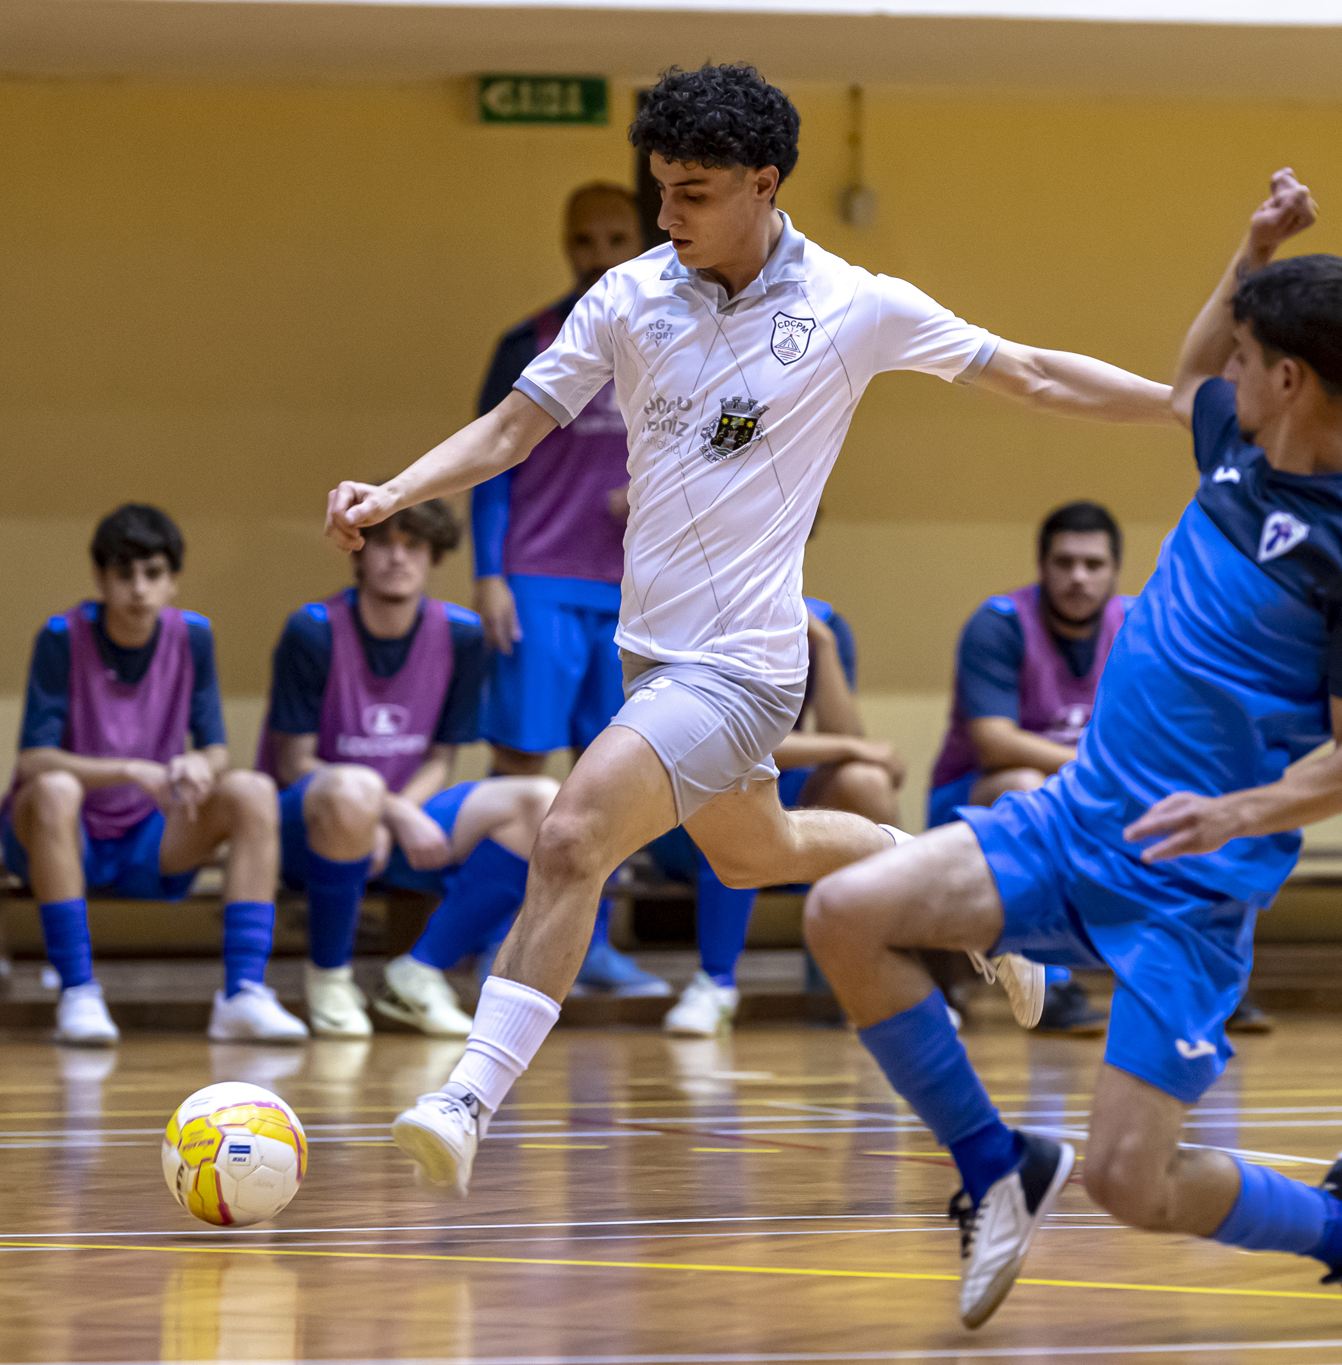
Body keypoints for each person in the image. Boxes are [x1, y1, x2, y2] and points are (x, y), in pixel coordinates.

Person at [324, 63, 1171, 1195]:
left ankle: (467, 1097)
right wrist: (392, 489)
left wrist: (1182, 406)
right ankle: (988, 910)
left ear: (765, 184)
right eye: (661, 188)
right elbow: (514, 426)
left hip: (746, 665)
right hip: (653, 656)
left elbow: (1024, 372)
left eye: (694, 193)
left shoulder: (853, 304)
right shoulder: (629, 298)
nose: (667, 216)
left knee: (573, 835)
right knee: (759, 851)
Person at [802, 169, 1342, 1330]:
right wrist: (1248, 251)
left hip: (1187, 895)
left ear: (1290, 380)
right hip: (1068, 825)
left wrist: (1235, 814)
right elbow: (1192, 369)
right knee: (842, 913)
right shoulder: (1235, 444)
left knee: (1129, 1183)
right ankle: (993, 1162)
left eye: (1250, 360)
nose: (1217, 379)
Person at [0, 504, 306, 1048]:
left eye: (153, 574)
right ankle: (78, 992)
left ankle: (242, 995)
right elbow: (33, 761)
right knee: (54, 787)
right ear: (101, 579)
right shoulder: (61, 636)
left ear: (173, 581)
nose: (139, 589)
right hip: (66, 833)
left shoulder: (193, 636)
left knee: (253, 789)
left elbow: (215, 749)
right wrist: (128, 770)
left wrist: (196, 764)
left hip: (149, 832)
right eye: (124, 574)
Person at [260, 498, 559, 1040]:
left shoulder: (463, 635)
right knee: (354, 788)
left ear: (434, 556)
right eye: (383, 543)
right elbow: (293, 762)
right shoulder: (313, 629)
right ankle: (329, 980)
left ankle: (418, 973)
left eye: (413, 545)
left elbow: (441, 757)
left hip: (399, 812)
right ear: (359, 551)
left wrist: (394, 814)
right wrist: (387, 811)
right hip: (312, 821)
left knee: (540, 801)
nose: (397, 558)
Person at [473, 182, 666, 999]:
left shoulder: (675, 334)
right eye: (583, 240)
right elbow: (490, 460)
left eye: (614, 237)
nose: (598, 255)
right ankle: (492, 939)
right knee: (522, 767)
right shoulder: (528, 339)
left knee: (613, 782)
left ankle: (594, 951)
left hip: (632, 594)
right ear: (564, 243)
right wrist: (487, 574)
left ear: (643, 237)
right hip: (538, 579)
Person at [926, 501, 1128, 1038]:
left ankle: (1197, 982)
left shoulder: (1134, 626)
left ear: (1115, 571)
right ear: (1041, 566)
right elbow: (994, 742)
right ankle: (1053, 981)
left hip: (1084, 796)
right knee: (1027, 788)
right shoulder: (999, 624)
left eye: (1093, 564)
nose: (1078, 577)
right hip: (973, 800)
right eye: (1064, 562)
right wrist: (1100, 770)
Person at [663, 593, 903, 1036]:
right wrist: (850, 747)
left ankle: (885, 988)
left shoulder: (822, 619)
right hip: (678, 811)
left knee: (864, 783)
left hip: (774, 796)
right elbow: (723, 739)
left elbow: (847, 738)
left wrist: (824, 642)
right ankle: (714, 983)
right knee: (735, 780)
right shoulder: (699, 602)